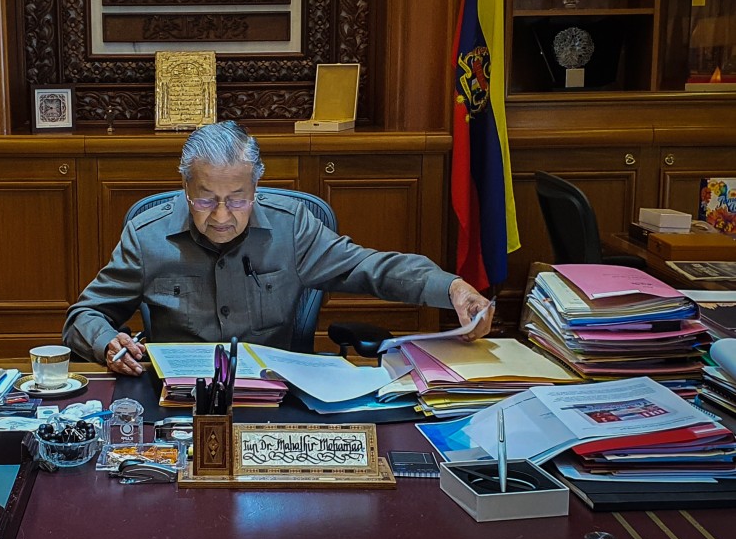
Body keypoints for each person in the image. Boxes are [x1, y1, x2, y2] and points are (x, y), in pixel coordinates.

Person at [63, 120, 494, 376]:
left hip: (277, 396)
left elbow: (372, 267)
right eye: (205, 200)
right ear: (185, 187)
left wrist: (451, 287)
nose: (221, 216)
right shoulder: (147, 235)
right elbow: (83, 316)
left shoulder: (293, 228)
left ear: (257, 187)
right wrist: (108, 343)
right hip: (180, 400)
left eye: (237, 199)